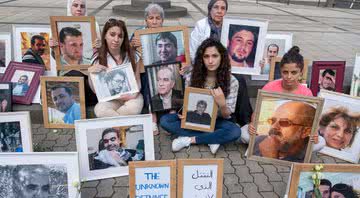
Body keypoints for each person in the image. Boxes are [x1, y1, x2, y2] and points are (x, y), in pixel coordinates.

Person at [160, 38, 241, 154]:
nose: (210, 61)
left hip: (216, 121)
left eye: (215, 56)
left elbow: (227, 114)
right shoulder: (192, 77)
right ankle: (213, 138)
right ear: (201, 59)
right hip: (194, 120)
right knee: (165, 121)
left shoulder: (232, 81)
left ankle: (188, 139)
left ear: (222, 57)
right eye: (206, 56)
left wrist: (222, 104)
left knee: (235, 131)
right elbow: (188, 103)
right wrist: (183, 114)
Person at [240, 46, 324, 152]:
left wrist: (314, 133)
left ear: (301, 73)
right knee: (244, 133)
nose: (289, 76)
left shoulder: (306, 92)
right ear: (281, 71)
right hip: (270, 130)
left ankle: (283, 147)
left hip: (293, 135)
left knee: (320, 142)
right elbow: (257, 112)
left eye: (294, 72)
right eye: (285, 72)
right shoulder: (270, 87)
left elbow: (311, 120)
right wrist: (253, 124)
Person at [88, 19, 143, 117]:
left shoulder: (133, 55)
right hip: (111, 100)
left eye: (120, 36)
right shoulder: (98, 57)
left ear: (124, 38)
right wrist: (90, 73)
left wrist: (133, 95)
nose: (116, 39)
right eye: (112, 34)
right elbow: (96, 90)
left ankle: (114, 125)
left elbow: (137, 81)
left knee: (132, 108)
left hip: (132, 97)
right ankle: (123, 125)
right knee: (100, 110)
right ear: (105, 35)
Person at [129, 4, 165, 135]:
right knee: (150, 79)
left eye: (158, 18)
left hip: (165, 70)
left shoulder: (169, 32)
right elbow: (129, 56)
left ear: (162, 20)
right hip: (145, 72)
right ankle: (153, 117)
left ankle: (172, 114)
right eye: (151, 18)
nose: (154, 21)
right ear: (146, 20)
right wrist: (132, 46)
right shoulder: (138, 33)